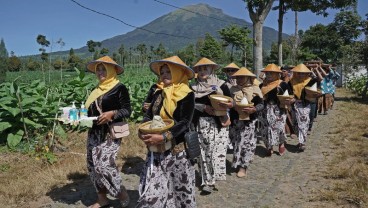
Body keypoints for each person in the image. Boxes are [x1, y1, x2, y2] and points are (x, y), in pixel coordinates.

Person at [136, 56, 196, 208]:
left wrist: (164, 136)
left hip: (178, 151)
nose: (164, 75)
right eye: (162, 72)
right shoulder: (158, 93)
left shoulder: (187, 94)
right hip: (156, 151)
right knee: (152, 192)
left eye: (168, 71)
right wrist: (142, 130)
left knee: (182, 191)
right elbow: (148, 116)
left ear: (178, 73)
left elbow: (185, 122)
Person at [84, 56, 132, 208]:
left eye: (104, 69)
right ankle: (102, 198)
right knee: (92, 165)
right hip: (94, 132)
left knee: (104, 165)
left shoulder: (119, 88)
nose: (100, 72)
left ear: (111, 70)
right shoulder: (95, 90)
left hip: (110, 132)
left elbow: (127, 110)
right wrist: (77, 118)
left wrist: (112, 113)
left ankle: (120, 191)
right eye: (98, 69)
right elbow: (90, 112)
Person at [191, 57, 233, 194]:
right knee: (204, 152)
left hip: (220, 123)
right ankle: (207, 181)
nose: (202, 71)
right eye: (200, 69)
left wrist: (227, 105)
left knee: (216, 152)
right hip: (202, 123)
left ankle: (215, 176)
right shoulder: (193, 88)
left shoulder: (221, 85)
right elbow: (189, 105)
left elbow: (231, 102)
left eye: (205, 68)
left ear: (212, 69)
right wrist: (202, 107)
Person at [229, 67, 263, 178]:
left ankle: (244, 166)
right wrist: (233, 106)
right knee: (236, 142)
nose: (239, 79)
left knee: (247, 144)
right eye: (237, 77)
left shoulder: (255, 89)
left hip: (250, 121)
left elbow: (261, 104)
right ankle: (237, 161)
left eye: (242, 77)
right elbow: (228, 103)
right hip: (235, 121)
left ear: (248, 78)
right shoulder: (232, 89)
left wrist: (254, 109)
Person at [259, 64, 291, 156]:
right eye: (267, 73)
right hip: (265, 110)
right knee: (266, 128)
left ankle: (281, 143)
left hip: (279, 109)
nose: (269, 75)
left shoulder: (282, 84)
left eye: (272, 73)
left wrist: (288, 101)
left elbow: (290, 96)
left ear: (277, 74)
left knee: (280, 128)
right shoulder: (262, 85)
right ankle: (269, 146)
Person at [288, 63, 318, 151]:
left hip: (305, 105)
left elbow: (318, 80)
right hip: (294, 105)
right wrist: (291, 98)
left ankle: (302, 143)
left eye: (303, 73)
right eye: (299, 73)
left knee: (303, 123)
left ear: (306, 74)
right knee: (295, 124)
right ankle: (300, 140)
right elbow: (289, 92)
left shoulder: (310, 81)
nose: (301, 75)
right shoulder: (291, 81)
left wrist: (314, 70)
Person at [222, 63, 240, 150]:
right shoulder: (224, 84)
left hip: (240, 108)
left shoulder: (242, 82)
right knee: (231, 127)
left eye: (232, 70)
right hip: (229, 109)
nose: (230, 72)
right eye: (228, 70)